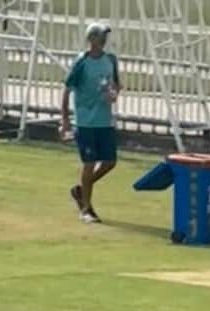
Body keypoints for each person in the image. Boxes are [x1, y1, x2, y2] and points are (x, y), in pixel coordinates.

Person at [60, 23, 122, 224]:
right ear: (92, 39)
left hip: (104, 121)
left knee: (110, 161)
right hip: (86, 121)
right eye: (100, 36)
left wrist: (113, 93)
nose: (104, 40)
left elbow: (116, 85)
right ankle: (86, 208)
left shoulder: (111, 60)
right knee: (89, 163)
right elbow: (67, 89)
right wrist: (66, 121)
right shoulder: (82, 62)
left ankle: (81, 189)